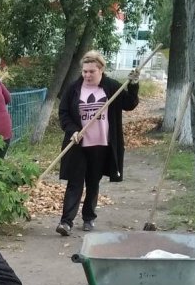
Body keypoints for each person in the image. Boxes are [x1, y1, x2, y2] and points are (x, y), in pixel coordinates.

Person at [55, 51, 140, 236]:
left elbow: (130, 103)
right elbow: (63, 113)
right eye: (84, 71)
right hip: (78, 143)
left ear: (101, 70)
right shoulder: (74, 88)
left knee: (93, 183)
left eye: (91, 71)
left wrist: (133, 85)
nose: (87, 75)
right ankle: (66, 222)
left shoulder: (111, 87)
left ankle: (88, 218)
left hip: (101, 144)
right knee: (75, 183)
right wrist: (73, 130)